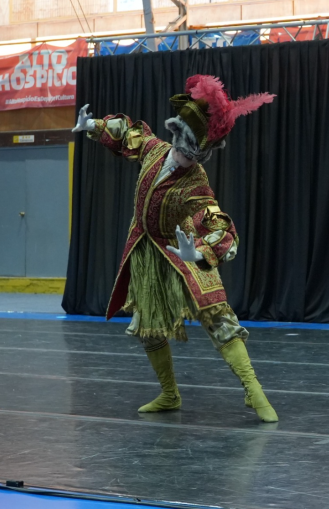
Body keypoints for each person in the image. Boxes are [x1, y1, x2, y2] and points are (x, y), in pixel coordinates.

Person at [72, 75, 278, 422]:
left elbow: (217, 222)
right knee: (147, 323)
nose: (186, 160)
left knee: (218, 315)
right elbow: (128, 133)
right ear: (175, 139)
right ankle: (169, 394)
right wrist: (92, 125)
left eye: (194, 156)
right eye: (184, 152)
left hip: (183, 247)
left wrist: (197, 252)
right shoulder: (154, 150)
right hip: (148, 252)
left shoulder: (196, 180)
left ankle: (252, 389)